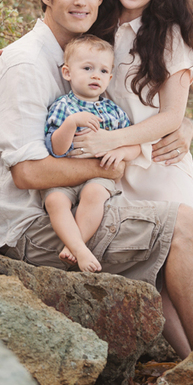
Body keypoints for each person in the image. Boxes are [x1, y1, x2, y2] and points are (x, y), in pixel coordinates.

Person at [0, 0, 193, 358]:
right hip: (36, 222)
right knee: (185, 227)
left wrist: (180, 125)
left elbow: (163, 108)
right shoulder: (28, 62)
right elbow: (26, 174)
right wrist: (107, 166)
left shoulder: (82, 48)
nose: (81, 1)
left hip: (125, 172)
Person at [42, 34, 140, 272]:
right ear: (68, 73)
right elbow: (56, 148)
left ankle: (77, 245)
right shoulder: (63, 106)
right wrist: (71, 123)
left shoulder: (113, 111)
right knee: (54, 200)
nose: (96, 75)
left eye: (103, 71)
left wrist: (123, 152)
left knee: (95, 193)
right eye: (87, 68)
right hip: (65, 174)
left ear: (110, 77)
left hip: (98, 176)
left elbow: (135, 144)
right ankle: (79, 248)